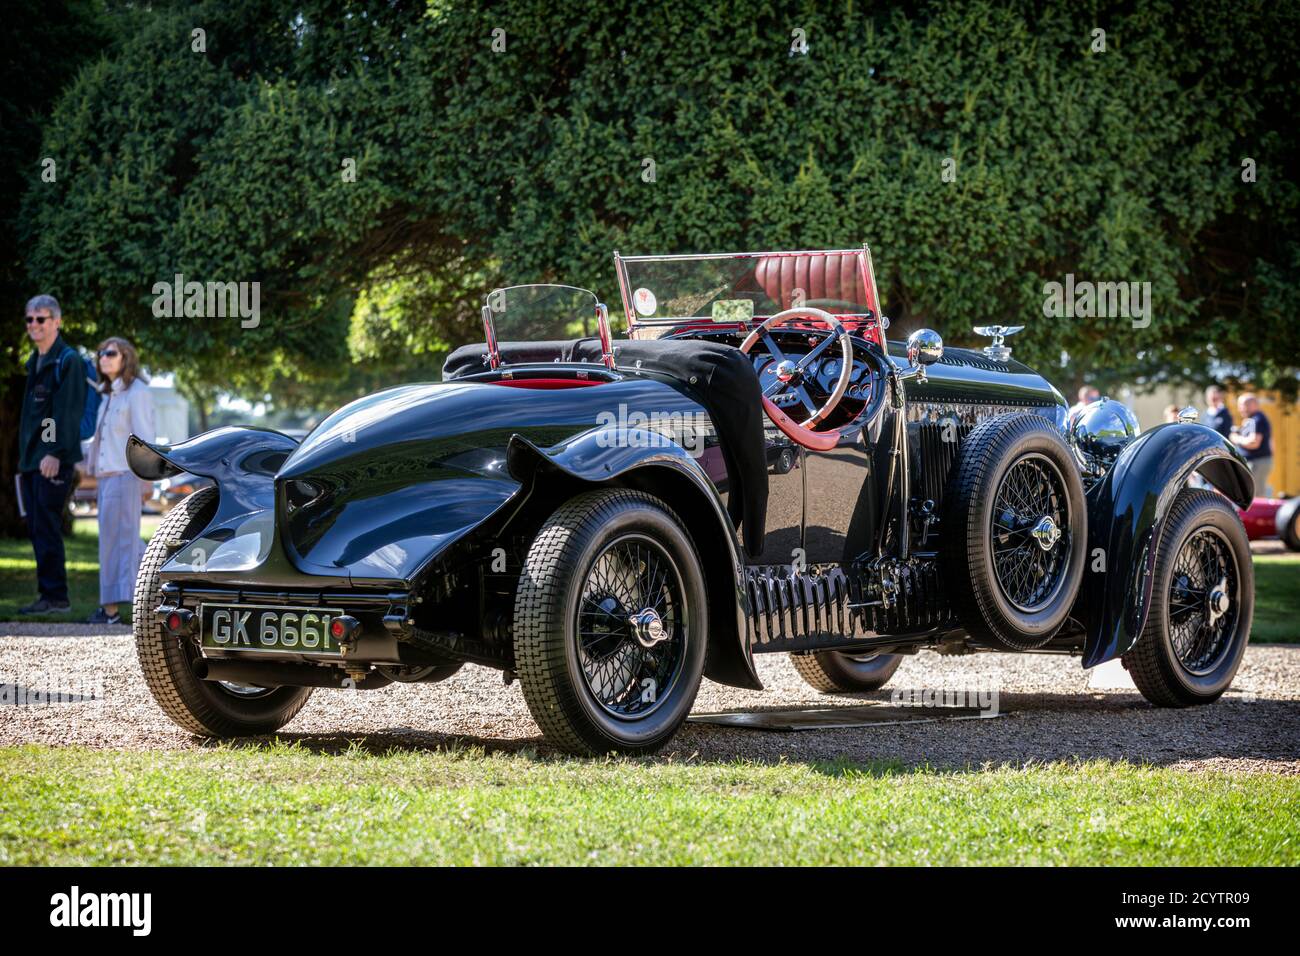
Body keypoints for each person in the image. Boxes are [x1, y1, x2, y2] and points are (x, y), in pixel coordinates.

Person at [17, 295, 87, 615]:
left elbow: (63, 412)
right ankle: (47, 594)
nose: (34, 325)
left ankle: (56, 597)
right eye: (29, 319)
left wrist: (52, 451)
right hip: (31, 462)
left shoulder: (66, 360)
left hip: (50, 461)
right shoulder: (36, 360)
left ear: (57, 322)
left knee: (46, 527)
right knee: (36, 527)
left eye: (40, 319)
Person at [84, 337, 155, 625]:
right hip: (107, 478)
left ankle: (112, 610)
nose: (104, 357)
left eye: (110, 353)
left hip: (126, 476)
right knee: (120, 543)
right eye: (101, 353)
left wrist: (146, 480)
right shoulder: (109, 393)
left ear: (126, 357)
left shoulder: (136, 392)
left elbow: (144, 438)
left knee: (120, 544)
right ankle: (156, 592)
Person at [1232, 393, 1273, 497]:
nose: (1240, 408)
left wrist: (1236, 439)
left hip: (1257, 462)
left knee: (1256, 495)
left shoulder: (1258, 419)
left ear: (1253, 404)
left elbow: (1254, 443)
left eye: (1242, 405)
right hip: (1256, 462)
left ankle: (1260, 514)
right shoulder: (1252, 419)